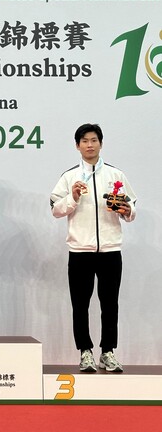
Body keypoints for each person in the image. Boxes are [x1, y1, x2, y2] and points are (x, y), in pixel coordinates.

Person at [50, 123, 136, 373]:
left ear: (101, 143)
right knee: (80, 304)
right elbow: (55, 209)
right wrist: (73, 197)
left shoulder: (115, 175)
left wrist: (127, 210)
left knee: (110, 304)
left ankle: (108, 352)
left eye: (94, 140)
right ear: (77, 146)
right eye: (85, 141)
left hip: (110, 250)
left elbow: (131, 209)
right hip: (80, 251)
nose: (90, 145)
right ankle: (85, 352)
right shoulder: (69, 177)